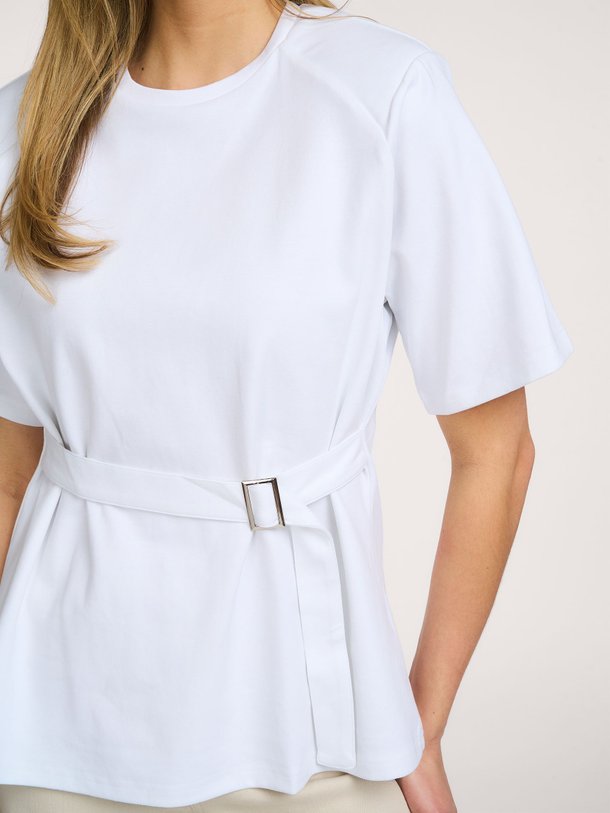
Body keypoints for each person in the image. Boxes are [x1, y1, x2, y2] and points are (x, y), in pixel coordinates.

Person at [0, 0, 574, 811]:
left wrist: (420, 723)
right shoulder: (26, 126)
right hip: (49, 724)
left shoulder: (381, 92)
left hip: (302, 722)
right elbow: (9, 478)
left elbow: (498, 452)